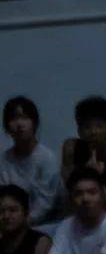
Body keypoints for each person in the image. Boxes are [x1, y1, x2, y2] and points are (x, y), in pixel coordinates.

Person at [60, 96, 106, 215]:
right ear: (79, 131)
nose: (93, 132)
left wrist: (96, 179)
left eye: (99, 126)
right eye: (87, 127)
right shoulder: (71, 148)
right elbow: (68, 193)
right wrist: (85, 174)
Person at [0, 96, 61, 226]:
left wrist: (22, 223)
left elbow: (45, 203)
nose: (19, 124)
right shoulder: (4, 159)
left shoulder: (47, 158)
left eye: (25, 118)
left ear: (34, 123)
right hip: (8, 222)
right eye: (13, 119)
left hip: (42, 225)